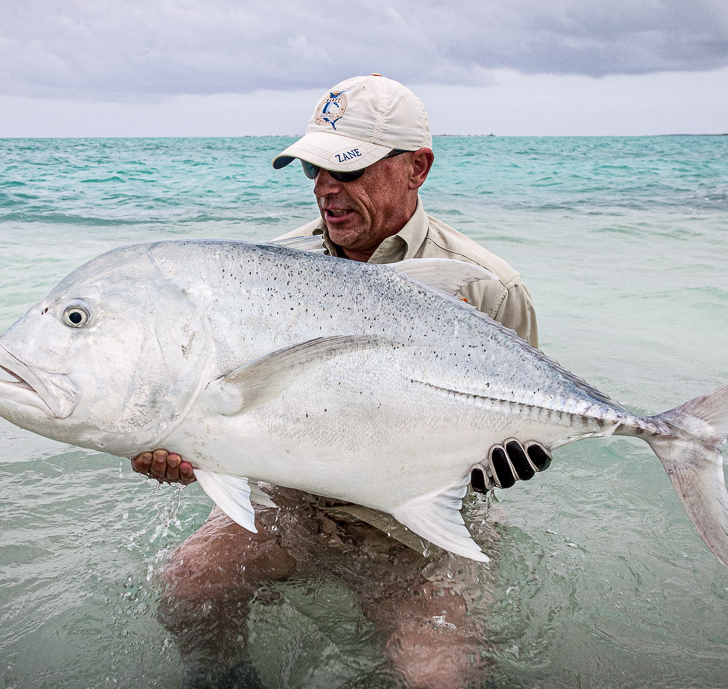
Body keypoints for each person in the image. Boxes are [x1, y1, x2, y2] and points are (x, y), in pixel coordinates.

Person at [135, 75, 547, 689]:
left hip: (413, 530)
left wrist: (511, 457)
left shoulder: (490, 287)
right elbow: (225, 400)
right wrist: (180, 443)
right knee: (187, 586)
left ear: (417, 168)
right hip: (293, 506)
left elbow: (525, 413)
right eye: (312, 172)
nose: (326, 189)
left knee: (439, 678)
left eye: (347, 170)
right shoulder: (271, 271)